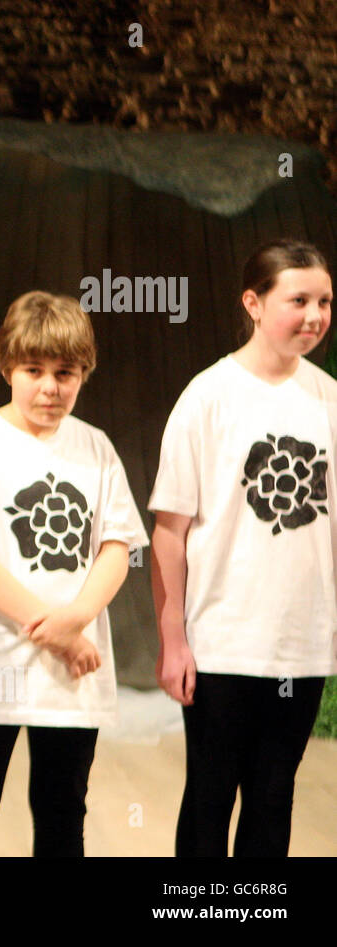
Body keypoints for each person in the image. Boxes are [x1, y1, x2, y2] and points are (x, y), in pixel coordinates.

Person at [0, 291, 148, 857]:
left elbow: (118, 546)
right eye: (34, 370)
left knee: (62, 817)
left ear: (83, 374)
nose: (50, 387)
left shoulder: (95, 449)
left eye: (65, 372)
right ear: (7, 367)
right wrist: (52, 629)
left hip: (72, 674)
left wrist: (75, 622)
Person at [150, 238, 335, 857]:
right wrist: (173, 636)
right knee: (209, 799)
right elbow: (169, 530)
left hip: (302, 645)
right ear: (253, 304)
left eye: (325, 301)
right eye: (299, 300)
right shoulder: (209, 397)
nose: (314, 316)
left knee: (274, 798)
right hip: (221, 641)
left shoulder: (330, 399)